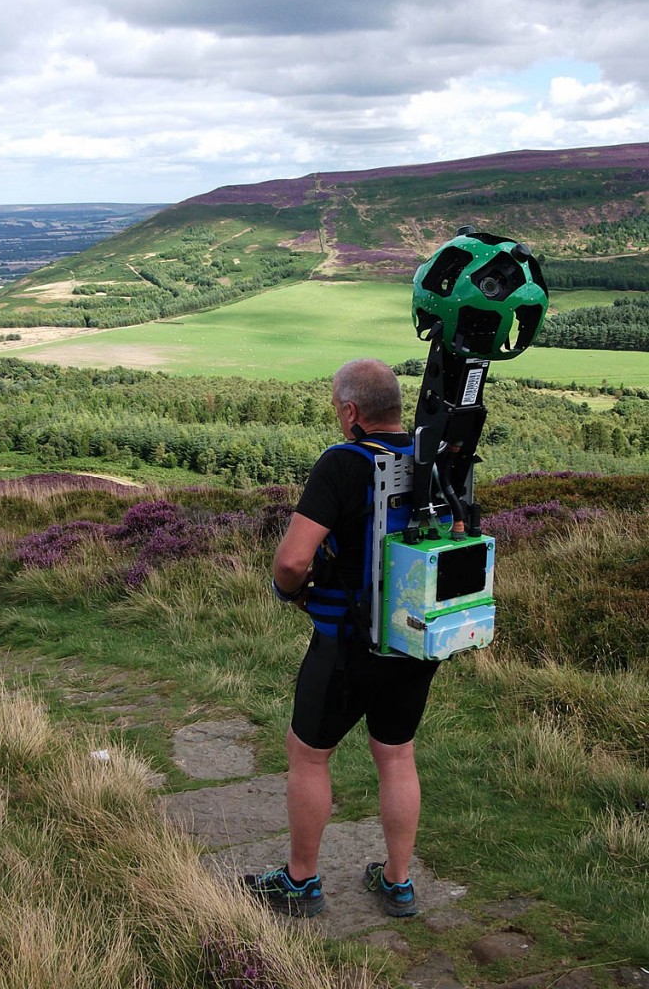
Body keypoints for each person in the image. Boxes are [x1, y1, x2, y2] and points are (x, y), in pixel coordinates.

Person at [243, 359, 439, 918]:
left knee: (308, 755)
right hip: (413, 639)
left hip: (345, 643)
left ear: (351, 412)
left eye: (337, 408)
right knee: (397, 754)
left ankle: (301, 882)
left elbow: (292, 559)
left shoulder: (343, 462)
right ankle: (398, 881)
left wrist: (292, 592)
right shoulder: (432, 459)